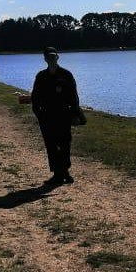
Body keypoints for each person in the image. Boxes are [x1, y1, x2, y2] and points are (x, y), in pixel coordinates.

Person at [31, 46, 79, 185]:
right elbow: (35, 96)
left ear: (58, 57)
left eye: (54, 56)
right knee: (51, 145)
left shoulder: (66, 74)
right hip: (47, 116)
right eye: (49, 56)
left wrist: (75, 113)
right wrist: (38, 114)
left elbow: (73, 95)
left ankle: (65, 171)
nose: (52, 58)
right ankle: (58, 173)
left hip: (64, 115)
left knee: (65, 144)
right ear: (45, 59)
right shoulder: (41, 76)